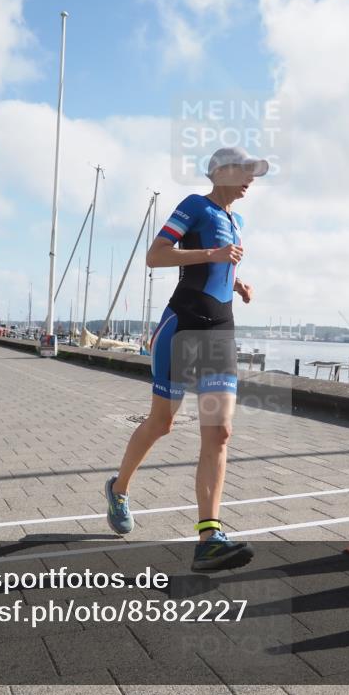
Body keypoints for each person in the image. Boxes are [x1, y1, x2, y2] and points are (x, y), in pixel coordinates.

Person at [104, 147, 266, 572]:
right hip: (184, 325)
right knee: (162, 423)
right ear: (221, 172)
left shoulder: (237, 219)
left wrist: (238, 283)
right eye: (245, 171)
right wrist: (212, 256)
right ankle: (119, 489)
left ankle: (208, 537)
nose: (251, 179)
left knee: (221, 432)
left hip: (220, 329)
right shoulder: (195, 205)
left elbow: (217, 270)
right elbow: (155, 256)